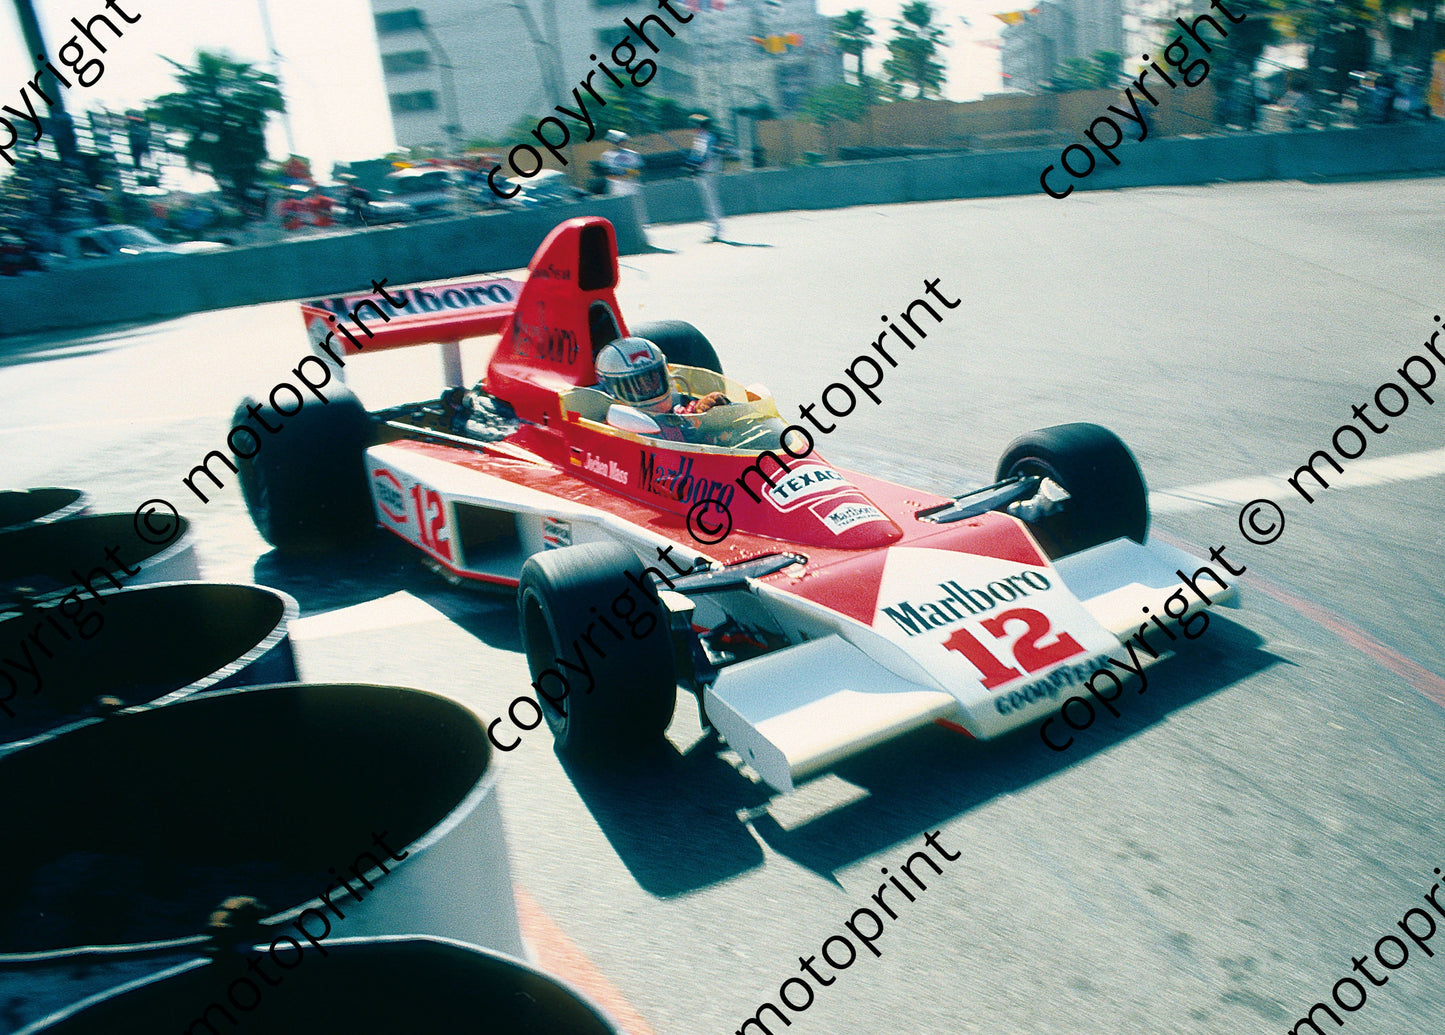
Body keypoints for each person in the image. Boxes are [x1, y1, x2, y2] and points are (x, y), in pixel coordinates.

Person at [594, 337, 729, 429]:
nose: (647, 388)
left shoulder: (677, 408)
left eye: (652, 380)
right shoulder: (611, 427)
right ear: (612, 390)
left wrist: (700, 411)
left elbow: (684, 415)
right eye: (635, 386)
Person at [686, 114, 724, 243]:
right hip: (705, 172)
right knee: (710, 203)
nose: (693, 128)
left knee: (711, 203)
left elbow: (704, 157)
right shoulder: (704, 138)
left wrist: (695, 167)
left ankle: (716, 231)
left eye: (694, 126)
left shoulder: (705, 138)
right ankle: (715, 230)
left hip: (706, 173)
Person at [600, 129, 649, 229]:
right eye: (620, 141)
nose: (622, 143)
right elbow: (606, 172)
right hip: (616, 184)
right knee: (620, 205)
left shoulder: (632, 154)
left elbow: (639, 169)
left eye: (623, 140)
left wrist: (629, 172)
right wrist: (618, 175)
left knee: (637, 203)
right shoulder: (607, 155)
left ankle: (642, 223)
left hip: (632, 182)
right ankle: (625, 226)